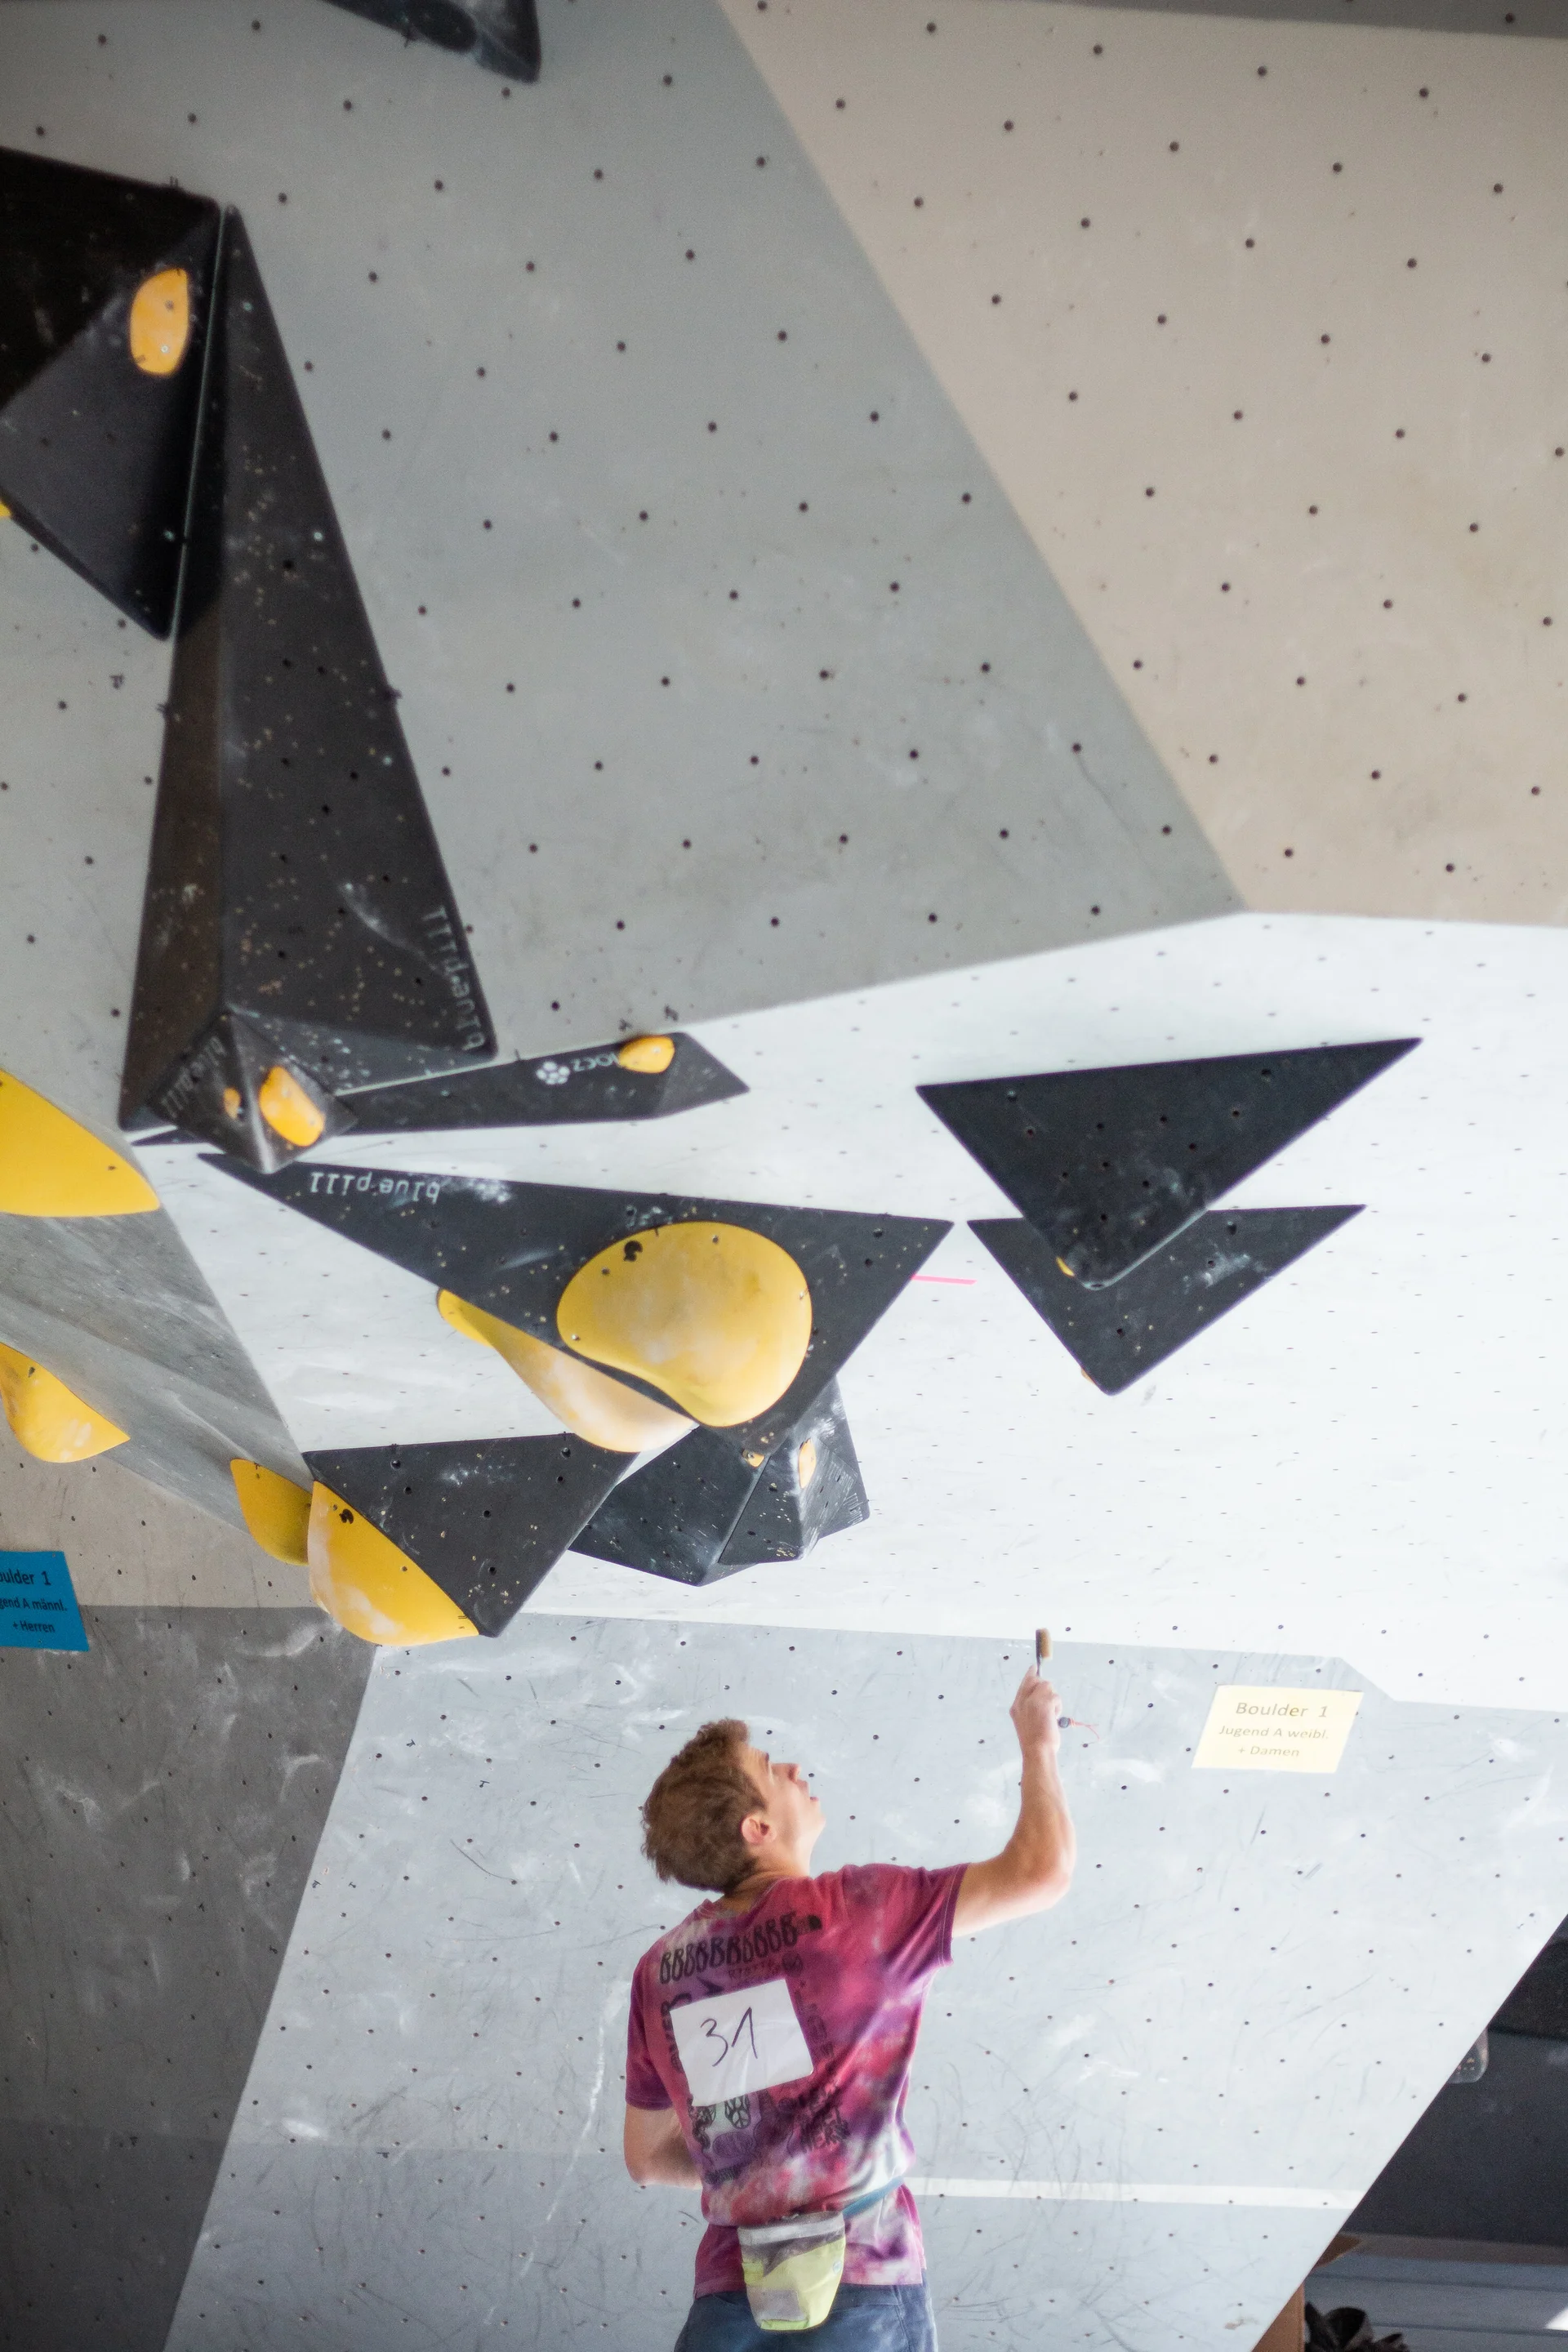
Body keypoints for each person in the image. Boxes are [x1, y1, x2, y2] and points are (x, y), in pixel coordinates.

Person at [623, 1666, 1076, 2349]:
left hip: (729, 2299)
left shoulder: (660, 1971)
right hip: (862, 2284)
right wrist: (1039, 1744)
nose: (793, 1768)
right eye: (771, 1769)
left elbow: (647, 2158)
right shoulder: (858, 1911)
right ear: (757, 1827)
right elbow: (1042, 1872)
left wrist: (756, 2165)